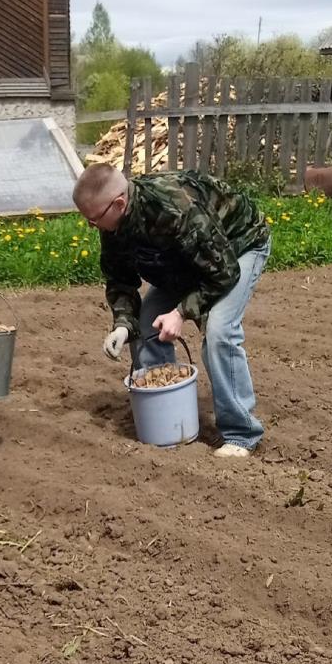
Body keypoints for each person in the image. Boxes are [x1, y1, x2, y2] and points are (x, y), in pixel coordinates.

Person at [73, 164, 272, 457]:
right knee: (145, 326)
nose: (92, 227)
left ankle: (242, 434)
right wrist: (123, 325)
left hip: (237, 247)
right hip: (183, 261)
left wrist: (180, 312)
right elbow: (120, 280)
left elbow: (222, 272)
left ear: (118, 203)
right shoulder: (114, 223)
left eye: (93, 220)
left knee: (220, 332)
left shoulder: (176, 207)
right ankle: (168, 417)